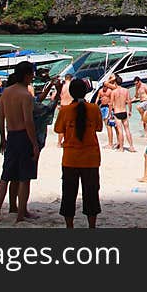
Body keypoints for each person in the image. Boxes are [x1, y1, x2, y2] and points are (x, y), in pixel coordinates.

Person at [0, 61, 40, 223]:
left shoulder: (6, 92)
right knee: (24, 178)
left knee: (5, 176)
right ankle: (20, 214)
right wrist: (34, 143)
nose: (33, 76)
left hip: (11, 135)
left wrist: (2, 137)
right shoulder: (25, 95)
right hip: (23, 137)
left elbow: (0, 116)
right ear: (26, 75)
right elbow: (28, 122)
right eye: (32, 73)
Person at [53, 78, 103, 228]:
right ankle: (91, 226)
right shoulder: (94, 108)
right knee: (91, 194)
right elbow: (99, 128)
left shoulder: (65, 110)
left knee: (69, 194)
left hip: (70, 158)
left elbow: (58, 129)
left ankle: (70, 226)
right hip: (91, 158)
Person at [108, 75, 135, 152]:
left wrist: (110, 114)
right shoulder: (126, 90)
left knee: (120, 130)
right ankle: (131, 146)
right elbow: (129, 101)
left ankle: (121, 148)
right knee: (127, 129)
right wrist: (130, 111)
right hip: (124, 111)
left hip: (117, 112)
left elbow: (110, 103)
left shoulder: (113, 92)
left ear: (116, 83)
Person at [97, 82, 116, 150]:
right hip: (102, 107)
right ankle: (110, 142)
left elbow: (112, 100)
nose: (105, 88)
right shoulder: (100, 91)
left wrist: (111, 111)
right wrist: (96, 105)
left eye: (106, 86)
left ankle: (111, 143)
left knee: (109, 125)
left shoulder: (110, 91)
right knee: (105, 124)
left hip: (108, 107)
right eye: (104, 86)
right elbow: (97, 98)